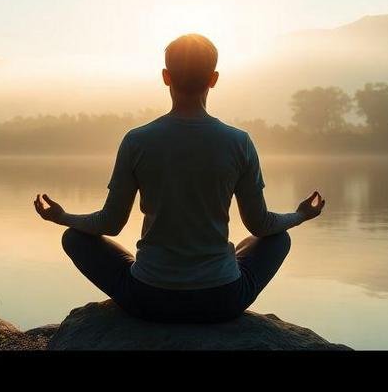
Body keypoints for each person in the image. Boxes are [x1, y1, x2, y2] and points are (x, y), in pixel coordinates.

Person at [34, 33, 326, 323]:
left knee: (74, 238)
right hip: (221, 300)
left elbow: (110, 223)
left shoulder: (137, 141)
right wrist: (299, 215)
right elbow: (261, 225)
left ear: (165, 76)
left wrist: (63, 216)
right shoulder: (239, 143)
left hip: (148, 299)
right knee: (278, 240)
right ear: (213, 79)